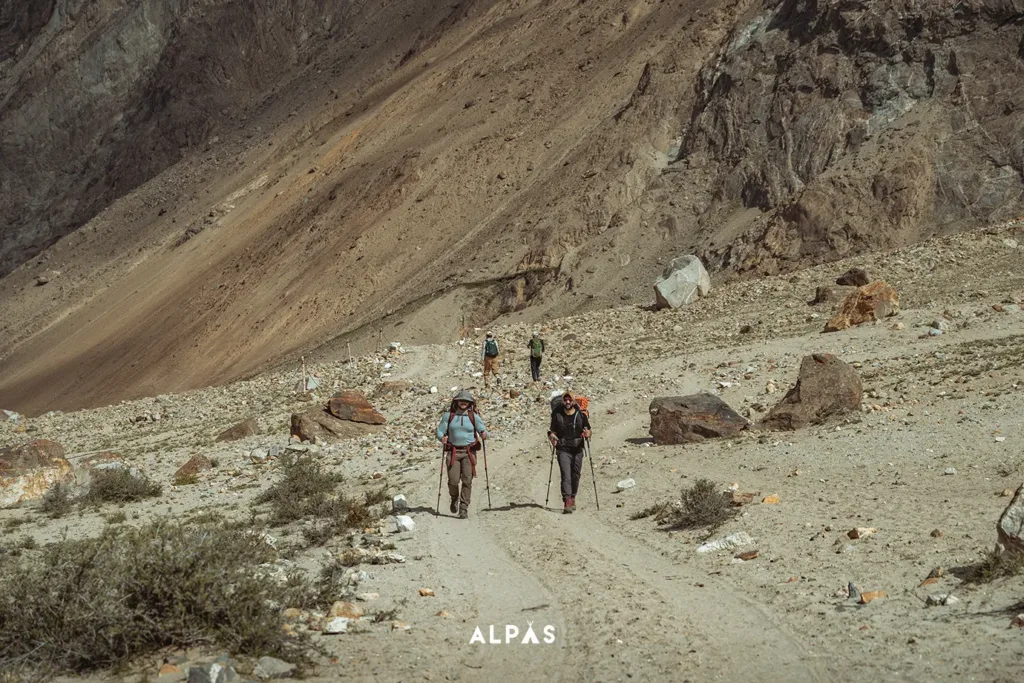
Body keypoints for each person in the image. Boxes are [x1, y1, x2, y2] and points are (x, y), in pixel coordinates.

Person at [436, 390, 487, 519]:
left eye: (466, 401)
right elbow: (440, 431)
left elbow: (483, 430)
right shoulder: (449, 416)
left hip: (469, 452)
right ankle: (454, 498)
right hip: (453, 452)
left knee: (467, 480)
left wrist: (484, 434)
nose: (463, 403)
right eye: (461, 401)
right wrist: (442, 438)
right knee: (453, 481)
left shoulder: (473, 416)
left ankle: (463, 508)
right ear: (456, 402)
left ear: (470, 403)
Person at [547, 391, 592, 513]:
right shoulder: (557, 415)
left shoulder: (581, 415)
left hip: (578, 449)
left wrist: (587, 434)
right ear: (563, 401)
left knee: (575, 475)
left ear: (573, 401)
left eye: (569, 400)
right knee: (566, 475)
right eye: (565, 400)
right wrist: (552, 436)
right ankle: (567, 501)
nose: (567, 402)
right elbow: (552, 431)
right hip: (563, 449)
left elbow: (588, 430)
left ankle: (573, 497)